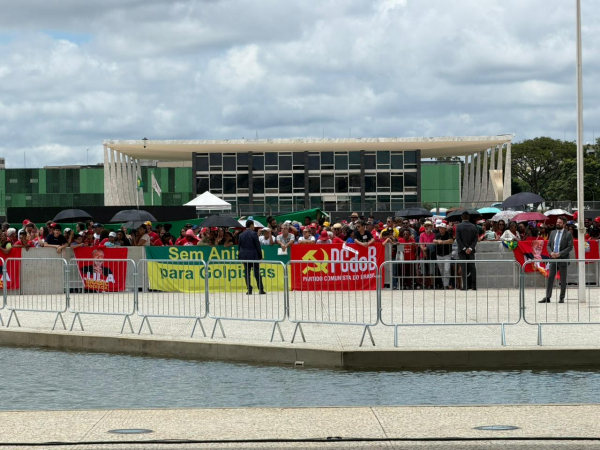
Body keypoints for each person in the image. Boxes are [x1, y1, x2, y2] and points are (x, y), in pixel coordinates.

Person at [539, 217, 573, 303]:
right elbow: (548, 245)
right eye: (557, 222)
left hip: (563, 259)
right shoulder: (552, 233)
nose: (557, 223)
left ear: (564, 224)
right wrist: (551, 253)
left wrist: (560, 254)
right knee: (550, 277)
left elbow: (570, 247)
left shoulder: (568, 234)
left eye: (560, 222)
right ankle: (548, 297)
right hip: (553, 259)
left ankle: (561, 297)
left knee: (563, 279)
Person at [237, 220, 265, 295]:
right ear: (251, 225)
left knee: (247, 273)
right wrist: (260, 256)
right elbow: (258, 246)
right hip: (253, 256)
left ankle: (249, 289)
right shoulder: (254, 234)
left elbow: (239, 247)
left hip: (244, 256)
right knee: (256, 272)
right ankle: (261, 289)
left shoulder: (241, 235)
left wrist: (240, 256)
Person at [455, 211, 478, 291]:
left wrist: (464, 248)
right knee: (472, 267)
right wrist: (470, 248)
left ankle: (465, 286)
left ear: (462, 217)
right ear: (469, 217)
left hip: (462, 251)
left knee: (464, 267)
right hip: (471, 250)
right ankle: (474, 285)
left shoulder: (459, 226)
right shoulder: (473, 226)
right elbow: (475, 239)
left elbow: (458, 239)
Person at [434, 222, 454, 289]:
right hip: (439, 255)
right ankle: (444, 284)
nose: (441, 229)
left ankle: (446, 284)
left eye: (442, 228)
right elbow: (434, 240)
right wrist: (437, 241)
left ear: (445, 229)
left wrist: (443, 242)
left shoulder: (448, 234)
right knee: (441, 270)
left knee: (447, 269)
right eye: (440, 228)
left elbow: (451, 240)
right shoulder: (437, 235)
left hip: (447, 255)